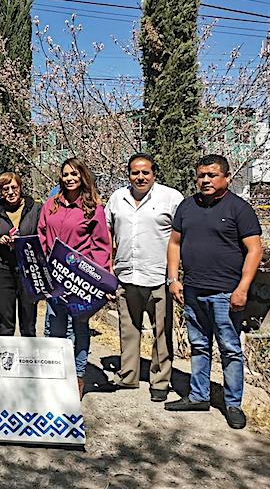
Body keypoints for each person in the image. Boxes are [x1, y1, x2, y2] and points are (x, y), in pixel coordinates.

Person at [164, 155, 263, 430]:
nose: (205, 180)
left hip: (226, 293)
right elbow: (174, 243)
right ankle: (198, 396)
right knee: (198, 345)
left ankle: (233, 403)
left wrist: (243, 288)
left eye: (212, 175)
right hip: (193, 290)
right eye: (201, 175)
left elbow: (255, 250)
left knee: (230, 349)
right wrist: (174, 278)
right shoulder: (187, 206)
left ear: (226, 178)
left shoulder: (239, 209)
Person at [105, 154, 184, 402]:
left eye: (145, 172)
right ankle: (128, 375)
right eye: (134, 172)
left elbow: (181, 236)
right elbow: (106, 231)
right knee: (128, 329)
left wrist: (176, 275)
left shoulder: (171, 198)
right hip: (127, 275)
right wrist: (108, 264)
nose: (140, 177)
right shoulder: (117, 198)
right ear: (128, 174)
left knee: (161, 332)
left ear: (154, 174)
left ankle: (160, 380)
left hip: (159, 275)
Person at [38, 158, 111, 398]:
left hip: (80, 278)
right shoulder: (51, 205)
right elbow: (41, 235)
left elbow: (101, 244)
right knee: (53, 325)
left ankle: (78, 376)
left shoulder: (93, 208)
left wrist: (101, 277)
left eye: (75, 174)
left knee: (78, 327)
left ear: (83, 177)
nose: (70, 178)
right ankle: (53, 374)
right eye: (66, 174)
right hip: (54, 276)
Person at [0, 172, 42, 337]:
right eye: (5, 189)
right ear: (0, 192)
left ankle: (28, 360)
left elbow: (42, 237)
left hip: (28, 270)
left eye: (14, 187)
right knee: (5, 325)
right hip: (3, 270)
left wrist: (26, 243)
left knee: (28, 325)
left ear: (20, 188)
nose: (10, 192)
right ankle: (5, 362)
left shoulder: (35, 208)